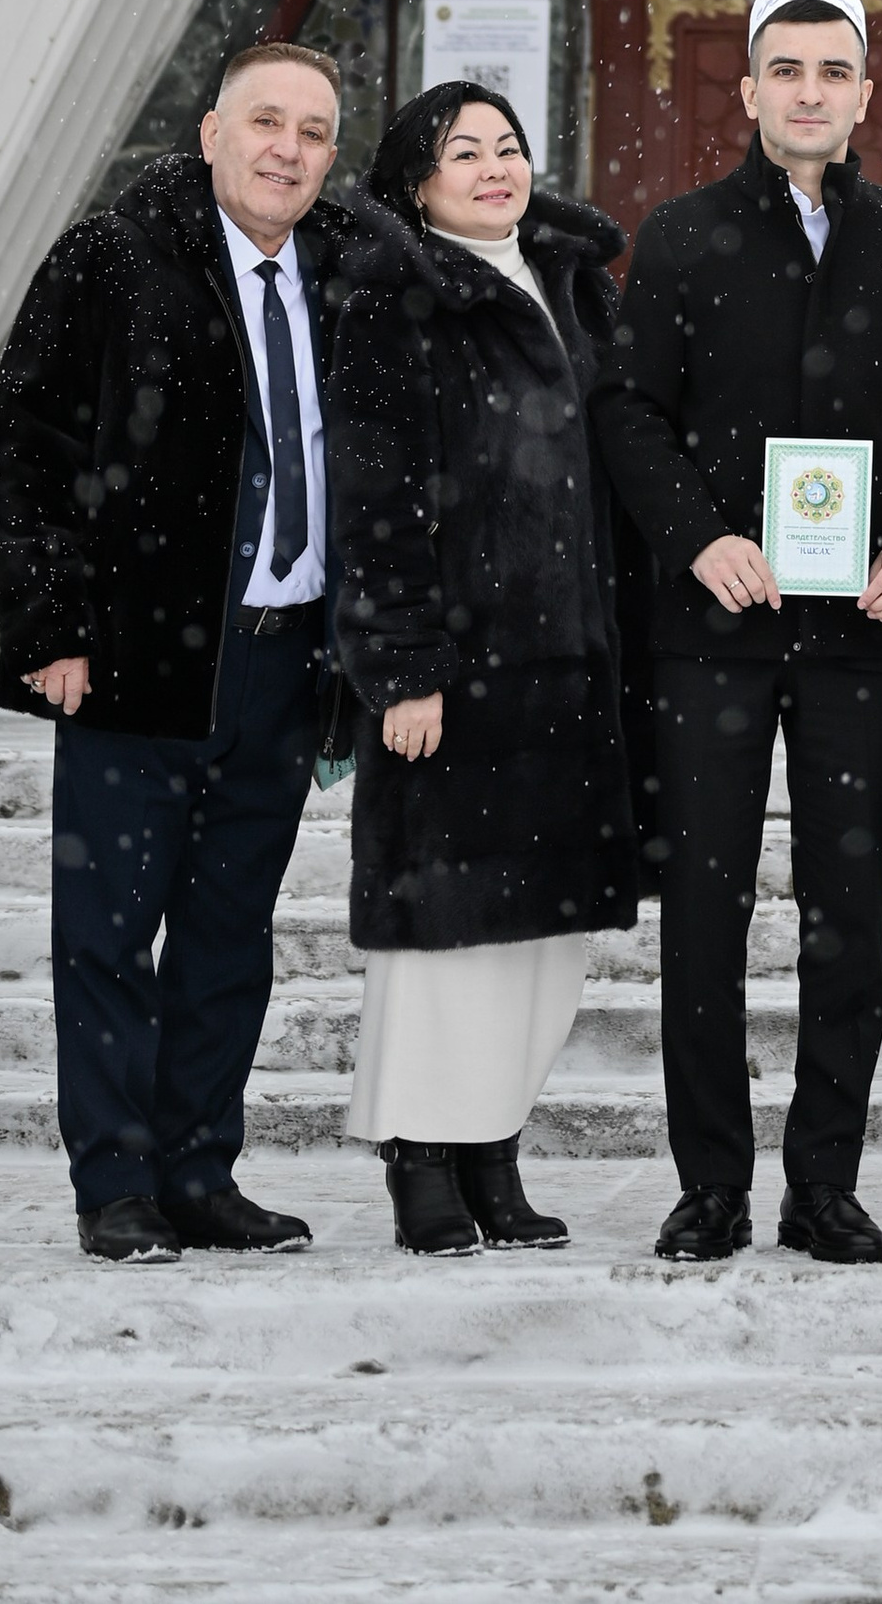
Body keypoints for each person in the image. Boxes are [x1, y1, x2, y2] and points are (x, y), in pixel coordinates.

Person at [592, 0, 882, 1266]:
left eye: (834, 71)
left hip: (857, 625)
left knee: (844, 907)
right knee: (705, 904)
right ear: (749, 88)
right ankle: (710, 1185)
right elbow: (629, 412)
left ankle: (826, 1184)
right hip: (716, 629)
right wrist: (704, 537)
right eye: (786, 70)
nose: (810, 91)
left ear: (865, 92)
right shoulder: (683, 235)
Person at [0, 42, 351, 1262]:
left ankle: (200, 1169)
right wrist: (49, 628)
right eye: (265, 122)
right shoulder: (115, 256)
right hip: (140, 658)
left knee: (226, 938)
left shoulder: (346, 271)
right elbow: (27, 437)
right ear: (210, 132)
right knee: (107, 933)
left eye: (311, 130)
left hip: (282, 662)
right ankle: (117, 1185)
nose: (286, 148)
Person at [326, 83, 640, 1254]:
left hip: (571, 669)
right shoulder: (394, 298)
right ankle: (420, 1158)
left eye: (508, 146)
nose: (496, 166)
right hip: (459, 669)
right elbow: (376, 492)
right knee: (441, 937)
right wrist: (403, 662)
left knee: (539, 936)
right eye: (466, 152)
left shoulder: (572, 284)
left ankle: (493, 1149)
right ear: (418, 181)